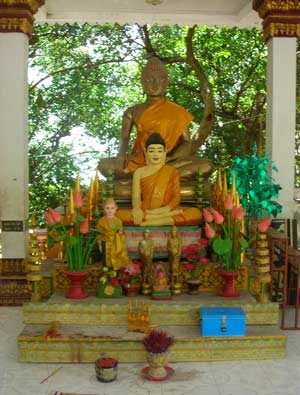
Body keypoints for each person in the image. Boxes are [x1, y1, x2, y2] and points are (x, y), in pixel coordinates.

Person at [98, 57, 212, 179]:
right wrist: (121, 156)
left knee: (206, 166)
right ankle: (160, 175)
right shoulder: (133, 111)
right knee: (104, 165)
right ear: (142, 83)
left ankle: (148, 175)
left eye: (160, 80)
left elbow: (186, 142)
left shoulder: (178, 111)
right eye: (149, 80)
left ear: (166, 83)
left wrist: (170, 158)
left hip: (169, 160)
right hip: (141, 161)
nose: (155, 85)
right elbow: (124, 138)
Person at [117, 133, 202, 226]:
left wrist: (166, 209)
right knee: (119, 215)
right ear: (145, 151)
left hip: (165, 211)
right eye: (152, 151)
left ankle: (151, 221)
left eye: (159, 151)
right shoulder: (139, 172)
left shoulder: (172, 171)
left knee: (195, 213)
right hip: (148, 211)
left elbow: (176, 197)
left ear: (165, 152)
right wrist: (137, 209)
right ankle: (162, 219)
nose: (156, 154)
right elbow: (136, 197)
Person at [96, 198, 130, 271]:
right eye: (107, 208)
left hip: (115, 242)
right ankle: (106, 271)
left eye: (112, 208)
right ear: (104, 209)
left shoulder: (118, 221)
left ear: (116, 209)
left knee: (115, 257)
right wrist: (99, 244)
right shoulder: (101, 221)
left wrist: (120, 236)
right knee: (105, 258)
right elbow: (98, 233)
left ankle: (115, 271)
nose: (110, 210)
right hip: (104, 241)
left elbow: (120, 233)